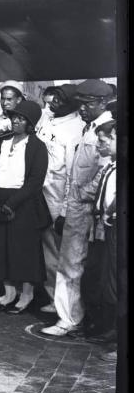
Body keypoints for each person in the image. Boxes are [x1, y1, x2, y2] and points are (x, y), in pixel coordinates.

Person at [41, 79, 114, 336]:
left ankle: (69, 319)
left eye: (88, 104)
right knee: (75, 265)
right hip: (77, 208)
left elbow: (106, 171)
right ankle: (77, 315)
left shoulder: (102, 131)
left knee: (71, 265)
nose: (81, 109)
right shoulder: (90, 127)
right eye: (80, 104)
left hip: (84, 209)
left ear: (103, 103)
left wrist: (82, 196)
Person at [0, 100, 50, 315]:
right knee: (2, 248)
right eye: (14, 118)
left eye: (21, 119)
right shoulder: (2, 143)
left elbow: (35, 182)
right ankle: (9, 293)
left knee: (23, 250)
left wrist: (11, 204)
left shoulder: (37, 147)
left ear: (30, 124)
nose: (15, 122)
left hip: (23, 204)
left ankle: (26, 295)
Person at [34, 84, 85, 313]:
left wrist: (64, 212)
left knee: (60, 256)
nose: (53, 102)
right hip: (38, 194)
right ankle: (52, 297)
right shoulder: (48, 117)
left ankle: (65, 306)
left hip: (56, 200)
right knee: (46, 253)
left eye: (59, 100)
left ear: (71, 104)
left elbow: (72, 175)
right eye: (53, 98)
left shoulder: (75, 130)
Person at [79, 120, 117, 346]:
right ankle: (105, 324)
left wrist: (110, 212)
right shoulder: (109, 167)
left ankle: (114, 330)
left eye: (107, 140)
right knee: (100, 276)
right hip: (102, 229)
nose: (103, 145)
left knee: (112, 278)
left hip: (113, 228)